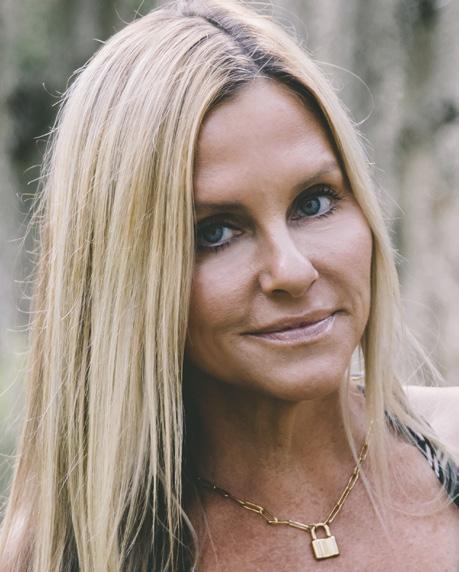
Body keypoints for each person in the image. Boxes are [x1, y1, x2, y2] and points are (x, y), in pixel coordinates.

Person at [0, 0, 458, 570]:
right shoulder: (59, 556)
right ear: (125, 280)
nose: (292, 271)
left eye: (314, 202)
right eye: (214, 231)